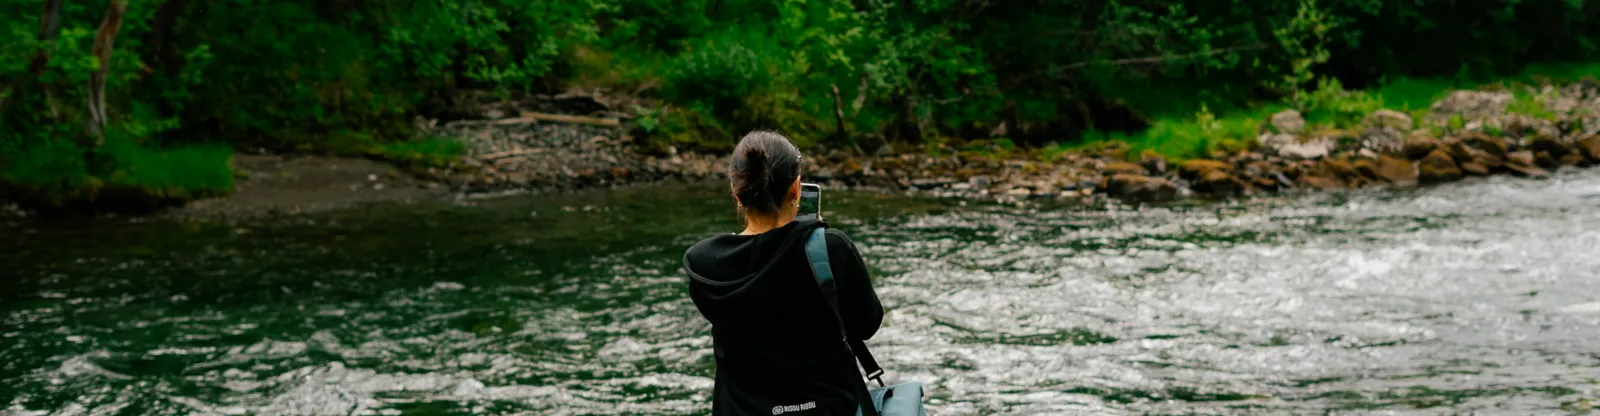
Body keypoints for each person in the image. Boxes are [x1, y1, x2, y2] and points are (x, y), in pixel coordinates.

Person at [683, 131, 885, 415]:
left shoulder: (703, 263)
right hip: (830, 408)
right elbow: (867, 324)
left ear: (736, 190)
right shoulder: (830, 248)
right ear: (796, 189)